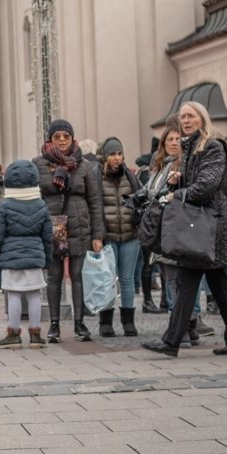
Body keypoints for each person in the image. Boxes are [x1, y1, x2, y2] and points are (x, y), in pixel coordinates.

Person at [142, 101, 227, 357]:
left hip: (210, 226)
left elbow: (207, 186)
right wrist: (180, 178)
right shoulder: (191, 147)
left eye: (191, 116)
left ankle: (171, 341)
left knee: (189, 280)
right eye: (183, 117)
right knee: (220, 283)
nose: (186, 121)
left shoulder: (211, 146)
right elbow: (200, 182)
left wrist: (176, 195)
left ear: (202, 119)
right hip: (203, 224)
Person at [34, 118, 105, 343]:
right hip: (52, 224)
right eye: (57, 136)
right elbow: (35, 198)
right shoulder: (39, 164)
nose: (62, 140)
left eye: (66, 136)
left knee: (77, 276)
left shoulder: (84, 165)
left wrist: (97, 235)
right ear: (50, 140)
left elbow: (95, 201)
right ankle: (54, 325)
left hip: (79, 224)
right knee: (54, 276)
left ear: (72, 138)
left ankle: (79, 323)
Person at [0, 160, 53, 348]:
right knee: (34, 295)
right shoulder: (41, 205)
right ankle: (36, 334)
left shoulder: (4, 206)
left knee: (13, 294)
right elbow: (48, 236)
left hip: (10, 258)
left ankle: (13, 334)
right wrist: (48, 259)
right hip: (34, 257)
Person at [98, 136, 142, 337]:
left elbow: (141, 199)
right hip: (108, 237)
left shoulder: (131, 177)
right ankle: (105, 322)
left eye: (119, 153)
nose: (117, 158)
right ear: (105, 156)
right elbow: (95, 207)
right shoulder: (97, 177)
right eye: (112, 154)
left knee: (127, 279)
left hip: (130, 235)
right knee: (107, 280)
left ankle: (128, 322)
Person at [138, 125, 181, 314]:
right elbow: (151, 192)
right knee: (169, 278)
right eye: (169, 139)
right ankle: (185, 326)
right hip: (158, 229)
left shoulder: (183, 165)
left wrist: (162, 196)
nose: (173, 143)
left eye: (177, 139)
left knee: (177, 282)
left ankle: (185, 326)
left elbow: (178, 196)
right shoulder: (158, 166)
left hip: (176, 229)